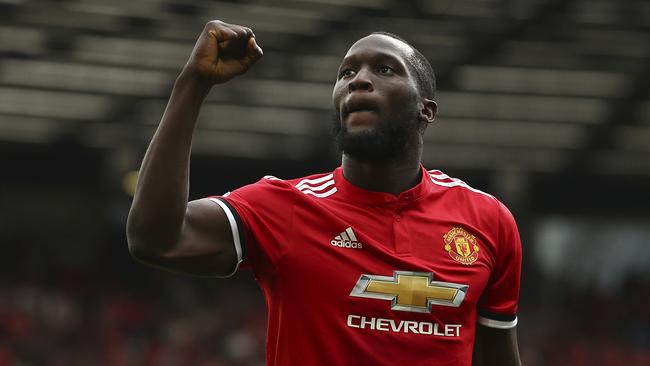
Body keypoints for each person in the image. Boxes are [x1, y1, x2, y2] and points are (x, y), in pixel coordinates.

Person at [126, 20, 523, 366]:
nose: (359, 80)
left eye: (385, 69)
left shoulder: (488, 221)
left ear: (426, 110)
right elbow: (156, 240)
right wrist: (193, 83)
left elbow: (496, 357)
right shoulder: (284, 207)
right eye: (346, 72)